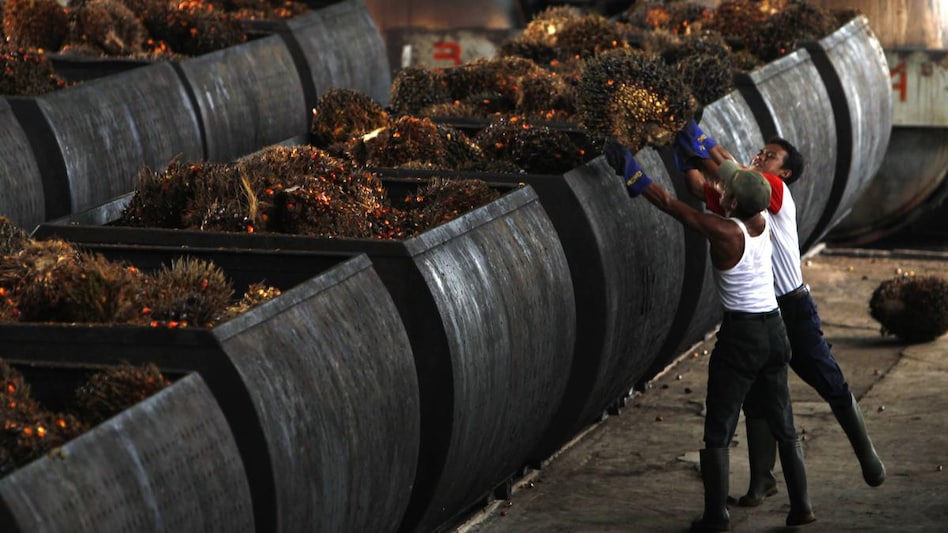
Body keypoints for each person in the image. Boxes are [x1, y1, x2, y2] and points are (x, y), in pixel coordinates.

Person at [672, 119, 886, 509]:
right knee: (758, 399)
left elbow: (727, 167)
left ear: (784, 172)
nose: (761, 156)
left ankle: (866, 453)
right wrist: (680, 151)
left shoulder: (774, 190)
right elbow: (698, 187)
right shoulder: (741, 199)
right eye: (762, 151)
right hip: (761, 313)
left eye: (770, 156)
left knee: (827, 377)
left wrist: (695, 136)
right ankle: (762, 481)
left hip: (792, 306)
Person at [603, 141, 816, 531]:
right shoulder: (764, 222)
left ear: (731, 204)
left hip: (743, 336)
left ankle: (716, 515)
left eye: (727, 191)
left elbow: (669, 203)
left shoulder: (724, 232)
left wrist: (631, 170)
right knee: (783, 420)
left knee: (719, 424)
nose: (721, 190)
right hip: (775, 330)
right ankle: (801, 505)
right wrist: (693, 151)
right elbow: (720, 183)